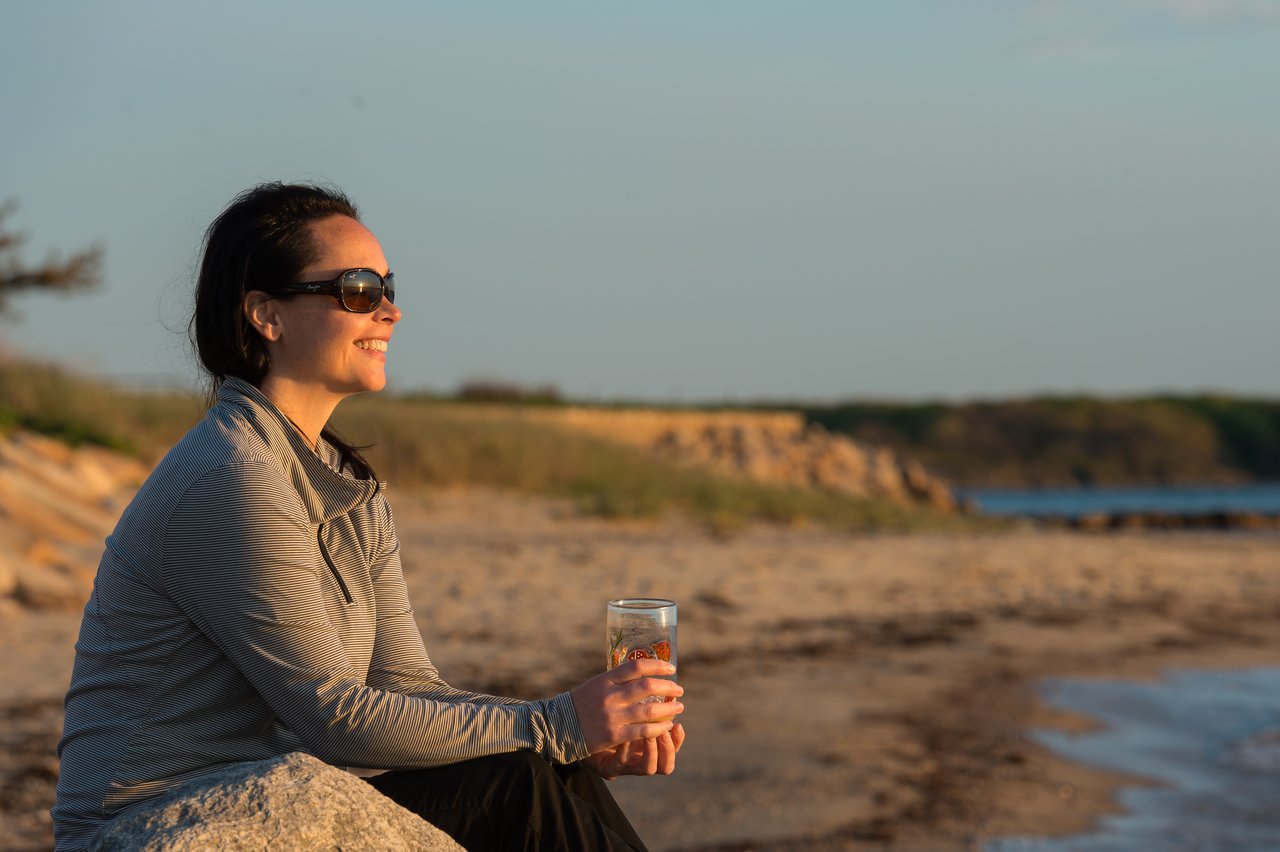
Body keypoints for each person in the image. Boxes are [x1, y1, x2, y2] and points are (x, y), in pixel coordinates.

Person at [52, 182, 686, 851]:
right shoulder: (230, 475)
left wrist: (573, 741)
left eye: (388, 286)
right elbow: (333, 717)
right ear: (266, 315)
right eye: (358, 290)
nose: (390, 311)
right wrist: (557, 723)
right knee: (522, 782)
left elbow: (409, 688)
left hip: (272, 801)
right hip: (153, 825)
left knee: (544, 776)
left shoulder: (347, 489)